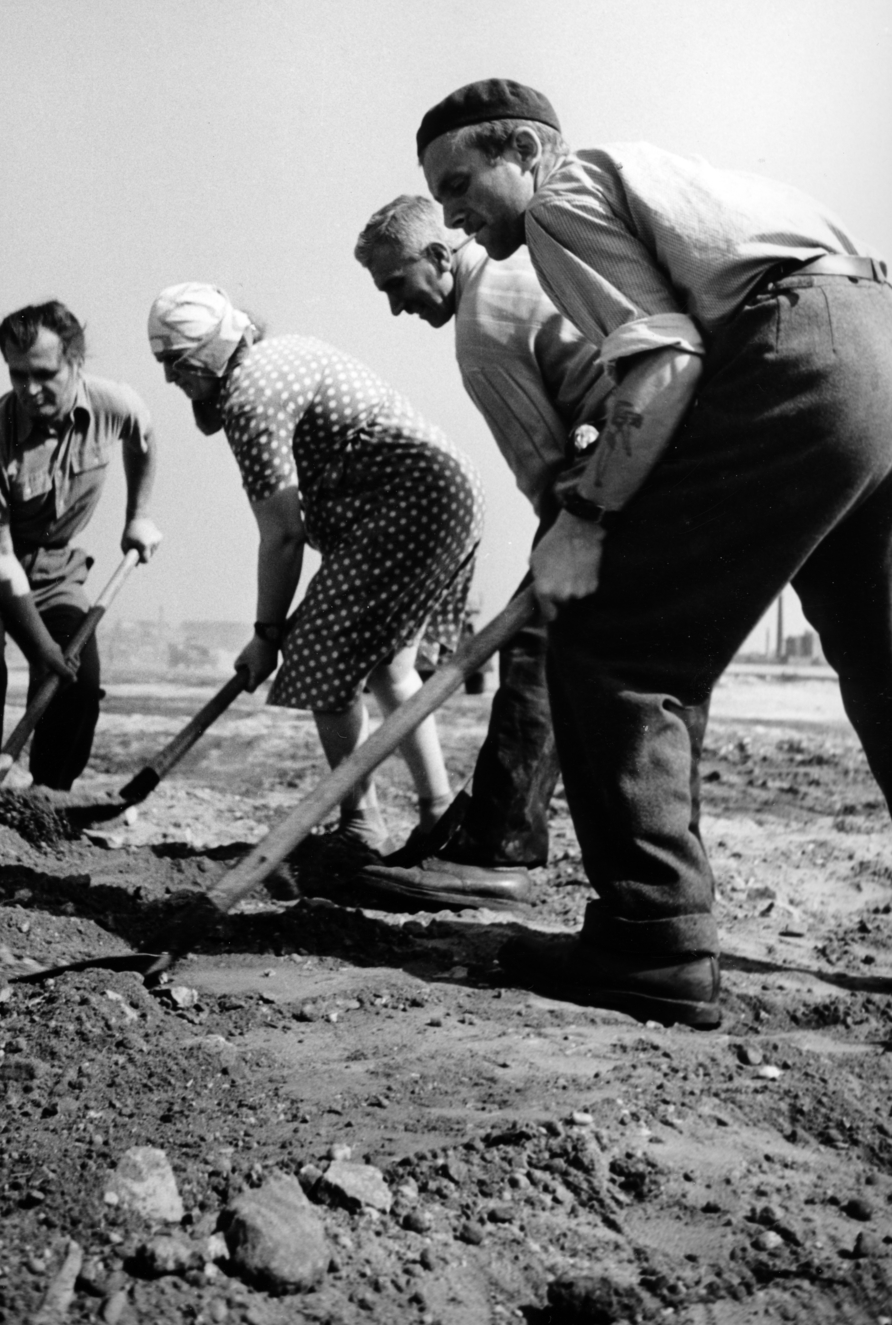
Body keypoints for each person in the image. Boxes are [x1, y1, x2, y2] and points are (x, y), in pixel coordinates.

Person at [417, 77, 892, 1029]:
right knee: (883, 659)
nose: (454, 211)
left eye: (461, 181)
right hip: (876, 344)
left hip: (801, 351)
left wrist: (587, 521)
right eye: (438, 197)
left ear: (526, 153)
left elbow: (667, 361)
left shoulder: (558, 203)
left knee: (611, 646)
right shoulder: (654, 175)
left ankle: (652, 941)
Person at [147, 282, 484, 854]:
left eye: (176, 364)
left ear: (208, 352)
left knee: (322, 653)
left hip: (407, 509)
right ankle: (440, 817)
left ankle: (360, 825)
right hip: (443, 500)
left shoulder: (249, 396)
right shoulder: (275, 357)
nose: (170, 380)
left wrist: (267, 635)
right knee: (387, 668)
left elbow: (282, 536)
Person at [351, 194, 612, 911]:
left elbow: (544, 468)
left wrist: (565, 543)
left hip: (610, 474)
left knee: (534, 650)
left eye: (396, 285)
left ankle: (494, 852)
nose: (397, 308)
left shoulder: (482, 326)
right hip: (646, 455)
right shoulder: (519, 277)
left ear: (440, 256)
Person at [0, 300, 162, 809]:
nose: (29, 390)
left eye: (44, 374)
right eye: (17, 375)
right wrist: (39, 646)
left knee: (77, 674)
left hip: (53, 562)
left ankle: (47, 800)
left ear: (76, 361)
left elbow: (142, 437)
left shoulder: (114, 404)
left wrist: (137, 516)